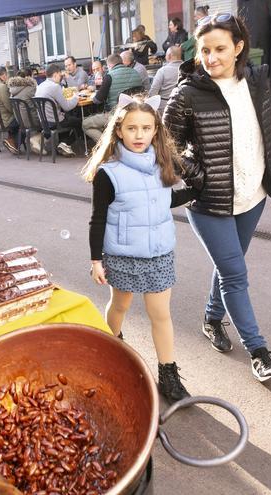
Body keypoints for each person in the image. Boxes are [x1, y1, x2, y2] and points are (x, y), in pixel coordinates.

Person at [163, 13, 271, 382]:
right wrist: (198, 176)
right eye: (204, 50)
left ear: (238, 47)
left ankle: (211, 319)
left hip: (255, 193)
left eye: (219, 49)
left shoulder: (257, 82)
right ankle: (259, 352)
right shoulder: (186, 93)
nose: (211, 58)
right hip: (211, 202)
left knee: (228, 266)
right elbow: (165, 144)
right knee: (235, 273)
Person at [82, 93, 194, 402]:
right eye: (132, 128)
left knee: (161, 314)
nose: (139, 135)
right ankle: (111, 343)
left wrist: (195, 193)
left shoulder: (162, 165)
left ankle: (168, 374)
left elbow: (163, 201)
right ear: (118, 131)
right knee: (120, 306)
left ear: (155, 130)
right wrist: (96, 260)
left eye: (146, 128)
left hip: (158, 254)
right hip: (123, 255)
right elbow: (98, 218)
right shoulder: (108, 174)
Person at [82, 53, 143, 145]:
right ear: (121, 62)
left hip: (116, 114)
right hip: (135, 112)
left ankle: (109, 145)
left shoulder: (109, 76)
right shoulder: (135, 73)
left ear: (109, 65)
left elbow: (97, 100)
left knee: (85, 124)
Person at [34, 62, 80, 156]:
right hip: (54, 121)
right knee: (80, 122)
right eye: (60, 76)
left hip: (43, 121)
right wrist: (76, 96)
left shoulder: (41, 86)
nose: (61, 78)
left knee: (66, 117)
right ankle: (65, 143)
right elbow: (67, 107)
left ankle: (62, 144)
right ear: (55, 75)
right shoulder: (55, 87)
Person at [148, 46, 184, 113]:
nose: (165, 57)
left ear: (169, 56)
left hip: (164, 107)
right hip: (183, 106)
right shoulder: (188, 69)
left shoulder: (162, 71)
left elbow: (153, 92)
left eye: (166, 55)